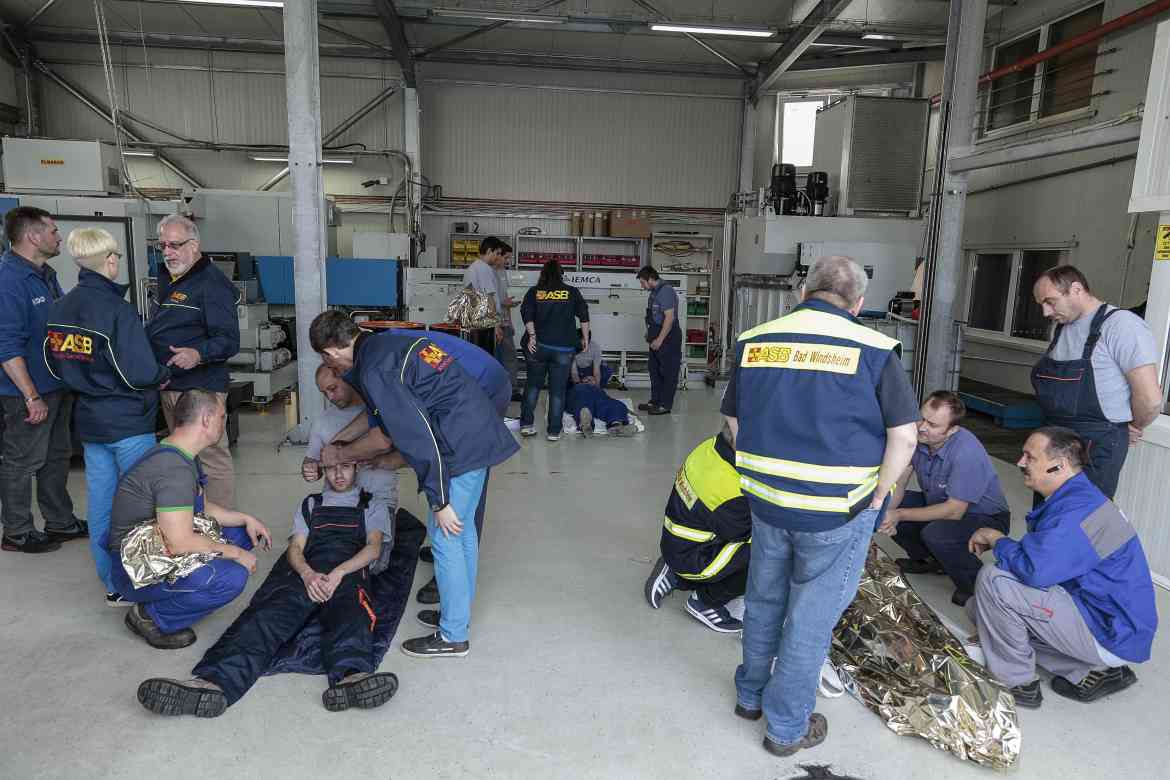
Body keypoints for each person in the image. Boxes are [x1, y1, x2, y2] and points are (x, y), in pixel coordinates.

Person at [721, 255, 919, 758]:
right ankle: (787, 727)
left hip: (767, 502)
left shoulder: (757, 342)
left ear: (802, 292)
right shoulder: (874, 348)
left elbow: (733, 424)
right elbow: (905, 436)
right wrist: (881, 494)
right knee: (809, 617)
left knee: (764, 599)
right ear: (859, 302)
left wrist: (760, 473)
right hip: (836, 512)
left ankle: (750, 696)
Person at [309, 311, 518, 658]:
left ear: (331, 353)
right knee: (462, 533)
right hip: (476, 429)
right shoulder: (385, 344)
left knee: (446, 534)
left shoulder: (376, 368)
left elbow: (417, 435)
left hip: (459, 443)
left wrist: (438, 500)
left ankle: (452, 635)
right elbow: (393, 422)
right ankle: (456, 615)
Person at [136, 460, 398, 718]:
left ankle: (353, 678)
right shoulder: (311, 503)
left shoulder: (370, 503)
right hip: (307, 572)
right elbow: (295, 548)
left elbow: (373, 549)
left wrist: (339, 574)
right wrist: (307, 574)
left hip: (347, 573)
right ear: (323, 470)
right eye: (331, 467)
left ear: (357, 468)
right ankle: (211, 684)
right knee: (267, 617)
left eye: (346, 466)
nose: (338, 473)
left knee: (352, 613)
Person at [967, 427, 1156, 709]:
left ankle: (1019, 683)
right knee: (979, 608)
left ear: (1060, 466)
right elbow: (1046, 560)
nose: (1020, 462)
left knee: (994, 582)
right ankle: (1087, 671)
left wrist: (997, 539)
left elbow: (1035, 570)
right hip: (1102, 616)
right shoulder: (1075, 498)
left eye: (1030, 457)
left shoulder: (1078, 513)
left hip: (1110, 631)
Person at [44, 227, 170, 604]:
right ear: (111, 260)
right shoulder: (116, 309)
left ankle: (113, 583)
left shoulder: (60, 307)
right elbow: (138, 371)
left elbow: (52, 366)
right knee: (139, 505)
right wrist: (163, 374)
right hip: (128, 421)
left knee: (101, 503)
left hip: (90, 422)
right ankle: (139, 582)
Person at [108, 390, 272, 650]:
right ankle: (150, 616)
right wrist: (235, 553)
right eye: (221, 416)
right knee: (231, 578)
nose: (223, 421)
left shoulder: (184, 455)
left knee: (243, 531)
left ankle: (180, 591)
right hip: (137, 568)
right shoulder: (172, 470)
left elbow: (202, 507)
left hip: (160, 544)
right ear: (206, 419)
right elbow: (179, 543)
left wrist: (246, 518)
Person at [1031, 265, 1162, 498]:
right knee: (1046, 513)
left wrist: (1132, 426)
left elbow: (1150, 399)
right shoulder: (1060, 329)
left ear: (1076, 289)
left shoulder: (1122, 326)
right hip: (1053, 441)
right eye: (1041, 304)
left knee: (1084, 520)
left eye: (1050, 302)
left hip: (1095, 445)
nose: (1045, 312)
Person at [0, 206, 88, 553]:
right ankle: (17, 531)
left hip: (56, 385)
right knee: (22, 461)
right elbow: (6, 345)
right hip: (26, 390)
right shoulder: (9, 280)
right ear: (33, 236)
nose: (59, 236)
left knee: (56, 457)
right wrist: (30, 396)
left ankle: (60, 522)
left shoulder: (46, 274)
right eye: (53, 231)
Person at [880, 391, 1011, 607]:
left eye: (933, 425)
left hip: (984, 517)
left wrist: (899, 514)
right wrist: (885, 514)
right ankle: (932, 561)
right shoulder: (918, 438)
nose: (922, 427)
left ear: (952, 430)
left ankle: (976, 585)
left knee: (938, 534)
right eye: (921, 418)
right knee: (892, 506)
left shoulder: (966, 451)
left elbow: (954, 511)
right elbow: (900, 482)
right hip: (939, 504)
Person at [147, 214, 241, 509]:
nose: (168, 252)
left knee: (211, 455)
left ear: (195, 245)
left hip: (202, 387)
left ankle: (219, 526)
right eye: (162, 245)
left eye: (175, 245)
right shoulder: (169, 276)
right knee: (183, 456)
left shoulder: (211, 284)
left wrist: (197, 353)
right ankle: (192, 519)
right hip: (171, 383)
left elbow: (229, 340)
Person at [644, 425, 750, 633]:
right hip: (694, 558)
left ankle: (675, 574)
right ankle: (705, 602)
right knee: (770, 549)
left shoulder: (710, 447)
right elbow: (750, 532)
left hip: (676, 543)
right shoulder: (731, 490)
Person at [302, 364, 402, 573]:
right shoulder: (322, 421)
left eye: (333, 388)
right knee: (323, 559)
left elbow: (410, 455)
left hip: (378, 502)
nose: (330, 397)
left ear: (347, 379)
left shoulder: (382, 412)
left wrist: (385, 460)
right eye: (324, 392)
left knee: (374, 566)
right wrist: (311, 469)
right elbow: (311, 460)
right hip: (335, 502)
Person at [519, 260, 590, 441]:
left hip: (538, 347)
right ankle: (553, 431)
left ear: (542, 274)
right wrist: (585, 340)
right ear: (561, 274)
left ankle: (526, 425)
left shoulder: (535, 292)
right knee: (557, 391)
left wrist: (532, 336)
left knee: (533, 385)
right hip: (563, 349)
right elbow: (583, 315)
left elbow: (527, 313)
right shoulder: (571, 292)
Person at [463, 236, 518, 389]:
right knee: (493, 362)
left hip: (474, 324)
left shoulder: (472, 268)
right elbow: (490, 298)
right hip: (486, 326)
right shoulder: (485, 269)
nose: (498, 257)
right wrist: (496, 326)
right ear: (489, 251)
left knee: (478, 361)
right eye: (497, 253)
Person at [567, 333, 634, 437]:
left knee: (616, 405)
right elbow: (574, 373)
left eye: (586, 342)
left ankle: (616, 425)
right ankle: (586, 424)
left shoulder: (594, 348)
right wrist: (580, 382)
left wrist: (595, 383)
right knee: (583, 405)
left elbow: (597, 371)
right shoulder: (570, 349)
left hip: (594, 389)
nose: (584, 345)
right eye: (581, 343)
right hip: (578, 387)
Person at [636, 266, 682, 416]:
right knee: (654, 370)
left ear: (650, 279)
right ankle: (655, 401)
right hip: (656, 334)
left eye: (643, 282)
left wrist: (660, 339)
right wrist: (649, 333)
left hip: (668, 337)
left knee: (668, 372)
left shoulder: (666, 291)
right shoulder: (654, 292)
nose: (642, 286)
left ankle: (664, 405)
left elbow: (669, 318)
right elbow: (654, 316)